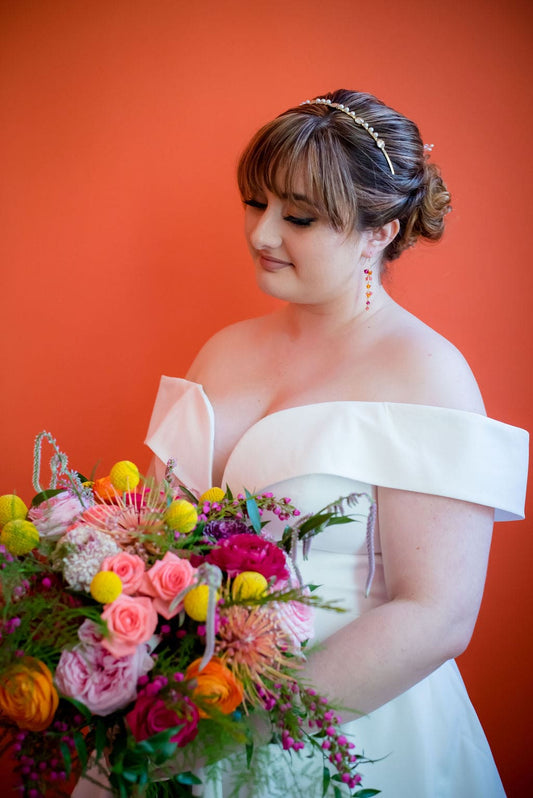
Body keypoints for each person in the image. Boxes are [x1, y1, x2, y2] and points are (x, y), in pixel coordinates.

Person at [145, 90, 528, 797]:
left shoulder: (427, 373)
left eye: (297, 216)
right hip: (180, 704)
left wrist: (240, 731)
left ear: (378, 231)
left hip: (344, 729)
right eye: (253, 203)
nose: (261, 234)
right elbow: (147, 540)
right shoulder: (223, 351)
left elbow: (435, 615)